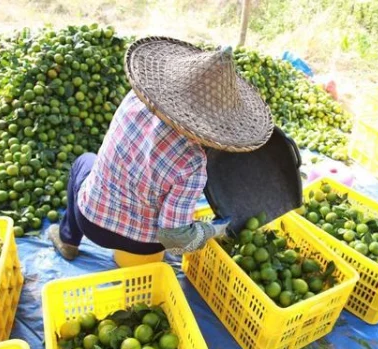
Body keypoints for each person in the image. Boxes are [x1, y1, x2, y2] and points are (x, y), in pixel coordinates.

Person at [48, 36, 273, 261]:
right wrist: (213, 230)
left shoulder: (134, 100)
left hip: (90, 222)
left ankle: (68, 239)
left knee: (84, 161)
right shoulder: (193, 164)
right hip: (145, 245)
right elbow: (175, 240)